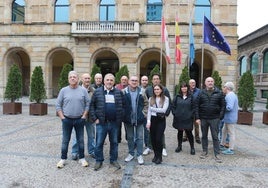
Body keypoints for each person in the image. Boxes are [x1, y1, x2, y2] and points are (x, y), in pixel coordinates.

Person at [56, 71, 90, 168]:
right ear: (68, 79)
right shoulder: (63, 90)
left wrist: (84, 116)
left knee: (80, 140)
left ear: (78, 79)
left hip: (80, 119)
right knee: (65, 140)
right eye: (70, 77)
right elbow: (58, 105)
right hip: (67, 119)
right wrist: (62, 117)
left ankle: (82, 158)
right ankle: (63, 159)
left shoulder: (83, 91)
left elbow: (88, 104)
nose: (72, 78)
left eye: (74, 77)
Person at [90, 73, 124, 171]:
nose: (109, 82)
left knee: (114, 142)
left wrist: (120, 117)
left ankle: (113, 159)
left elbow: (124, 106)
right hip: (101, 123)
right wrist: (94, 118)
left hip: (114, 123)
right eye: (107, 80)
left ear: (114, 82)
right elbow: (92, 106)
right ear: (104, 81)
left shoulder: (118, 92)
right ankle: (99, 160)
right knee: (99, 143)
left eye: (111, 80)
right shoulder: (97, 92)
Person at [195, 77, 225, 163]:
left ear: (214, 82)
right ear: (205, 83)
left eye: (212, 81)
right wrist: (197, 117)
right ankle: (205, 151)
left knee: (215, 137)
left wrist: (220, 117)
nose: (210, 82)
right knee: (204, 136)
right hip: (203, 118)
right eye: (208, 81)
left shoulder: (219, 93)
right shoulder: (201, 93)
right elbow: (196, 105)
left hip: (215, 118)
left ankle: (217, 153)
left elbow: (223, 106)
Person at [123, 75, 148, 165]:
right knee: (130, 137)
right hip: (128, 119)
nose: (134, 82)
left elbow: (146, 103)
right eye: (132, 80)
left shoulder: (142, 91)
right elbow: (121, 104)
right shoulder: (124, 92)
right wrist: (123, 114)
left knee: (140, 137)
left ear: (138, 82)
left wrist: (144, 113)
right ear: (129, 81)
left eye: (136, 81)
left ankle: (139, 155)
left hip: (139, 118)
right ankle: (131, 153)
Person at [145, 73, 171, 157]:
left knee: (160, 134)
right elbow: (146, 103)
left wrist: (166, 114)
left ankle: (163, 148)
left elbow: (168, 103)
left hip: (161, 116)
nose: (156, 80)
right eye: (154, 79)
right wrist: (148, 117)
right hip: (152, 117)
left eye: (157, 79)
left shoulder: (165, 89)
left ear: (160, 80)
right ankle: (149, 147)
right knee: (151, 133)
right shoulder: (148, 89)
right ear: (152, 80)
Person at [71, 73, 95, 160]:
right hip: (78, 117)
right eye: (85, 78)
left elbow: (95, 104)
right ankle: (75, 152)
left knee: (91, 136)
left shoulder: (93, 91)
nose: (87, 80)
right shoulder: (77, 89)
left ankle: (92, 151)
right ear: (82, 79)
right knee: (77, 135)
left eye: (88, 78)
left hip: (90, 118)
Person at [172, 82, 195, 155]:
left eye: (185, 87)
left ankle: (192, 147)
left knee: (189, 133)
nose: (184, 88)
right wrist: (175, 113)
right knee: (180, 132)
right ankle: (179, 146)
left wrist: (191, 115)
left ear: (187, 88)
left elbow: (194, 107)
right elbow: (173, 106)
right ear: (180, 88)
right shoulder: (177, 96)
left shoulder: (191, 96)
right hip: (179, 118)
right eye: (182, 87)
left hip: (188, 118)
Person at [221, 82, 238, 155]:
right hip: (228, 118)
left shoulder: (230, 96)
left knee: (231, 134)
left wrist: (221, 109)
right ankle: (222, 144)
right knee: (224, 131)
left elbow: (229, 107)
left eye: (224, 87)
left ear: (227, 88)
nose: (223, 88)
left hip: (230, 118)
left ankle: (231, 149)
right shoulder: (231, 95)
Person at [115, 75, 129, 143]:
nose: (124, 81)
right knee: (118, 125)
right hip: (118, 109)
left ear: (127, 80)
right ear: (120, 80)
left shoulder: (130, 87)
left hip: (126, 109)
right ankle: (118, 139)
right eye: (123, 79)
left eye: (125, 79)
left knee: (127, 126)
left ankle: (128, 138)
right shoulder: (116, 87)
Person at [140, 75, 151, 155]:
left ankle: (147, 145)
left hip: (148, 114)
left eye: (146, 80)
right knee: (138, 130)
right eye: (143, 80)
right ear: (141, 81)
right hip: (139, 114)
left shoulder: (151, 89)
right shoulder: (138, 89)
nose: (144, 81)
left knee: (147, 130)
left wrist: (146, 113)